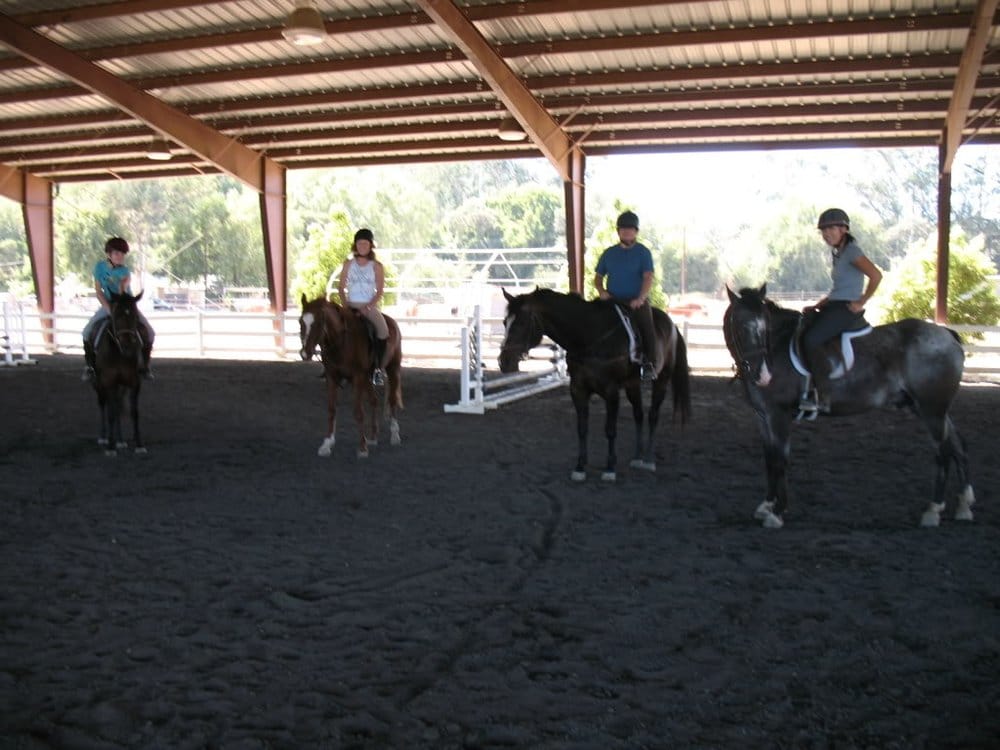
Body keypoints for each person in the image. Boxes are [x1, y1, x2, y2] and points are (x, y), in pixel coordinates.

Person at [798, 208, 883, 413]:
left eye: (831, 229)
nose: (826, 234)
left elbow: (876, 276)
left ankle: (823, 397)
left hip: (846, 308)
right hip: (834, 304)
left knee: (811, 340)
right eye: (823, 231)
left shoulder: (852, 251)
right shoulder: (839, 253)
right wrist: (822, 302)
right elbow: (840, 287)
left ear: (844, 229)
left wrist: (861, 301)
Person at [594, 210, 660, 380]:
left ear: (636, 232)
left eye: (630, 229)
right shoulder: (609, 253)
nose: (627, 232)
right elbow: (598, 277)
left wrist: (641, 298)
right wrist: (601, 292)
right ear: (618, 232)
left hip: (635, 301)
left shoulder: (643, 253)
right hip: (612, 300)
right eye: (623, 229)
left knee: (647, 326)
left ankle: (649, 364)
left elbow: (648, 277)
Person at [81, 236, 155, 381]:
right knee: (86, 332)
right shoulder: (99, 268)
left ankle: (145, 367)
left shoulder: (125, 271)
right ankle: (89, 367)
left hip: (125, 305)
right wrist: (108, 308)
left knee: (150, 333)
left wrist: (121, 293)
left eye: (122, 254)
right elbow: (98, 291)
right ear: (109, 254)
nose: (120, 257)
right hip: (107, 303)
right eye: (116, 253)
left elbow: (122, 291)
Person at [332, 227, 389, 385]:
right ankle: (331, 366)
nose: (362, 246)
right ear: (355, 245)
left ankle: (378, 369)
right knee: (330, 327)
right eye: (359, 243)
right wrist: (345, 304)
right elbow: (341, 287)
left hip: (368, 306)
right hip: (350, 304)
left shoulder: (376, 266)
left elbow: (379, 291)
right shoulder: (348, 264)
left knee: (383, 331)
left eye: (365, 244)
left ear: (370, 246)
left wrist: (368, 307)